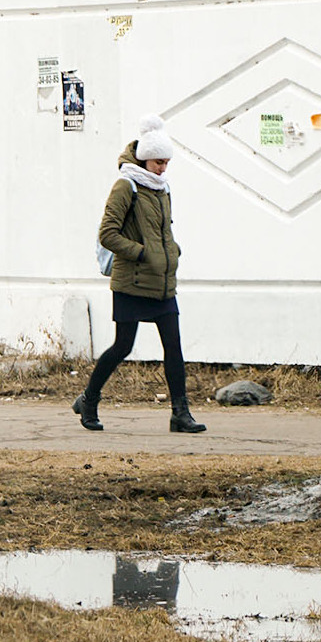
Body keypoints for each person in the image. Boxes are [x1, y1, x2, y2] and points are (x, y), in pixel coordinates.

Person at [73, 114, 207, 435]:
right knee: (123, 346)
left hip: (162, 283)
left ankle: (180, 414)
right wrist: (142, 253)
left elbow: (164, 231)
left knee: (173, 346)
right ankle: (89, 400)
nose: (163, 168)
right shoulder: (126, 186)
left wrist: (172, 251)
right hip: (131, 283)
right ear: (145, 158)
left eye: (166, 163)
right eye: (159, 162)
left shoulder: (162, 189)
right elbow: (108, 233)